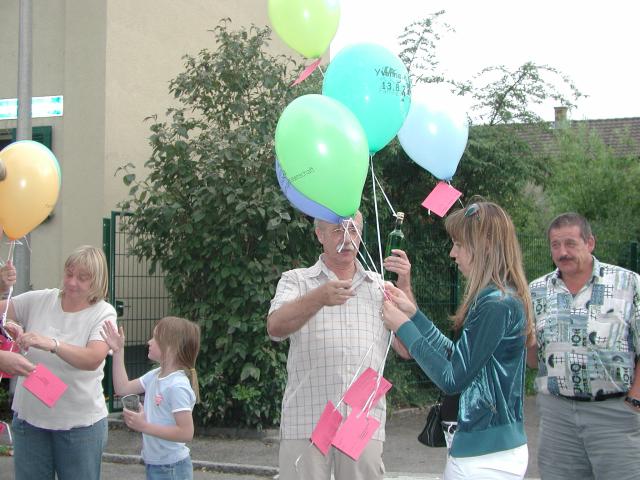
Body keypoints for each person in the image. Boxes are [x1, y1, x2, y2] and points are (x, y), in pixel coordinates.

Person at [383, 201, 533, 480]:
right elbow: (458, 357)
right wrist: (414, 316)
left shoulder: (496, 304)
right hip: (484, 451)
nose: (452, 253)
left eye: (459, 244)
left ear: (485, 245)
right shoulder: (494, 298)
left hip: (486, 458)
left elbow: (451, 378)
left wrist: (402, 327)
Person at [267, 212, 414, 480]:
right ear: (319, 235)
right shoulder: (297, 280)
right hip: (308, 416)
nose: (347, 239)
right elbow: (275, 327)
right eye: (337, 231)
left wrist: (404, 284)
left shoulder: (379, 287)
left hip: (360, 420)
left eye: (353, 230)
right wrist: (319, 297)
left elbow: (407, 349)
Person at [527, 212, 640, 480]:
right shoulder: (536, 291)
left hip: (615, 412)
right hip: (558, 418)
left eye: (570, 243)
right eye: (556, 245)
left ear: (590, 243)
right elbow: (533, 359)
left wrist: (635, 401)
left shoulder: (628, 284)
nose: (562, 252)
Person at [0, 245, 116, 480]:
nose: (72, 282)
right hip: (30, 420)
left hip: (79, 427)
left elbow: (93, 358)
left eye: (83, 278)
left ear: (97, 281)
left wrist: (52, 343)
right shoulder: (40, 299)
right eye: (69, 274)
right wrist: (2, 288)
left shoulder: (103, 313)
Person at [101, 315, 201, 480]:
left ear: (170, 347)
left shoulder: (177, 386)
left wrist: (144, 425)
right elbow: (122, 388)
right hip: (157, 465)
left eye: (155, 338)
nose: (149, 341)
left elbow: (186, 432)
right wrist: (118, 351)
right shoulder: (155, 375)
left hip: (171, 469)